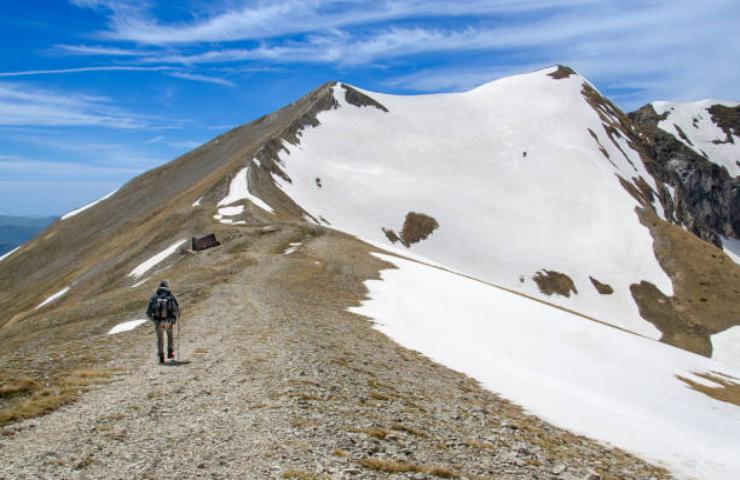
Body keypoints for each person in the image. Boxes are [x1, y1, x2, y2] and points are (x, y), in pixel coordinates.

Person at [146, 280, 180, 364]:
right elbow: (176, 309)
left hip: (158, 321)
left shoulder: (154, 297)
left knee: (160, 339)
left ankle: (161, 357)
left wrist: (154, 320)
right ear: (167, 287)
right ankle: (170, 353)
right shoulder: (170, 296)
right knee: (170, 335)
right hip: (168, 320)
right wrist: (177, 316)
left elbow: (148, 312)